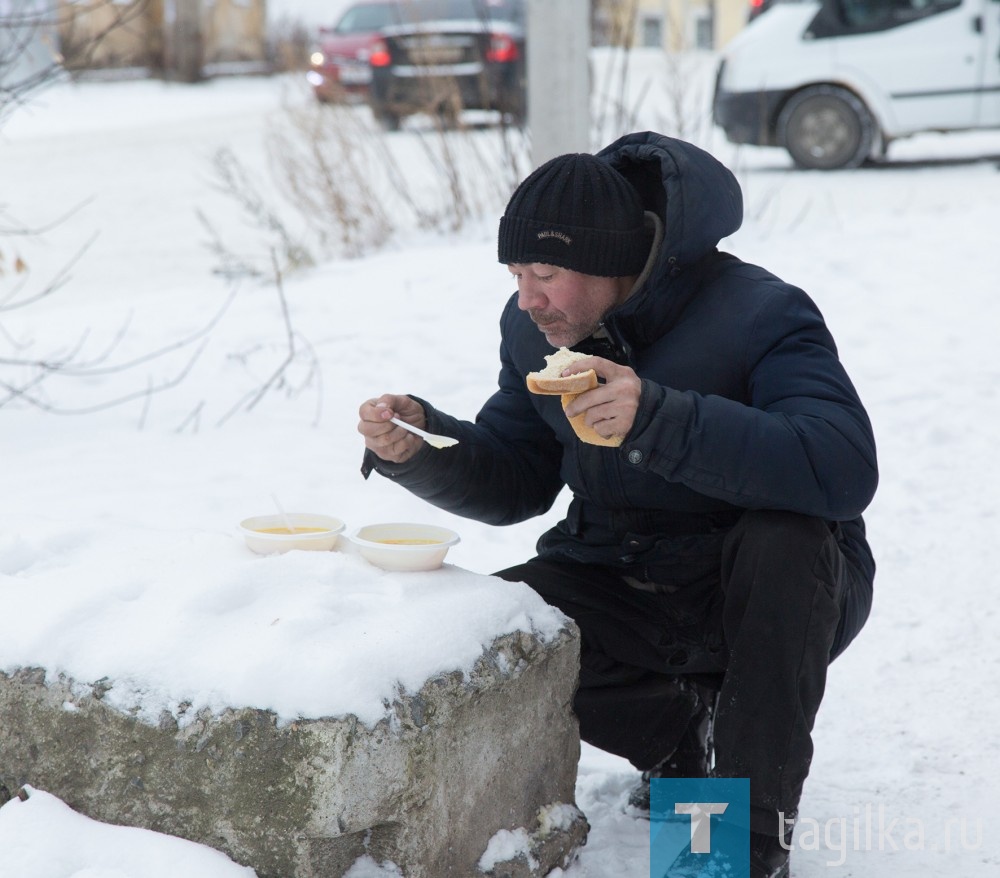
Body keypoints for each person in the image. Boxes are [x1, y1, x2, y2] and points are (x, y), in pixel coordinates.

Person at [357, 131, 877, 878]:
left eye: (545, 272)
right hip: (623, 569)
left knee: (782, 539)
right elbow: (520, 480)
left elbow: (843, 465)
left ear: (614, 264)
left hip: (771, 587)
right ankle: (677, 743)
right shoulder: (534, 330)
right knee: (503, 625)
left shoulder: (761, 313)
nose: (526, 297)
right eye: (514, 273)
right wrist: (424, 449)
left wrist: (662, 418)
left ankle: (743, 843)